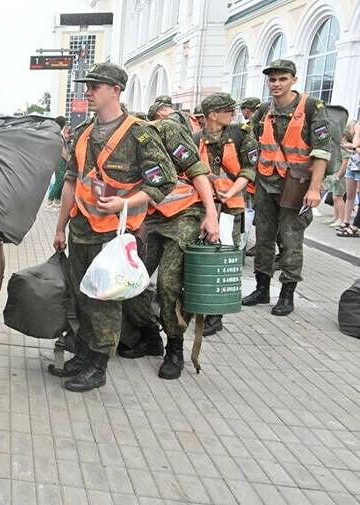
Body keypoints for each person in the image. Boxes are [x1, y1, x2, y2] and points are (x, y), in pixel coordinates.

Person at [51, 62, 176, 392]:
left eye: (95, 87)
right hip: (81, 229)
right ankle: (83, 355)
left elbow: (165, 181)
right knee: (81, 296)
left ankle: (99, 365)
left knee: (103, 301)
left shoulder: (139, 134)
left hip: (116, 235)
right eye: (88, 86)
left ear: (115, 91)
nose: (88, 92)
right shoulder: (83, 133)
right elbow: (70, 182)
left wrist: (125, 203)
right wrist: (60, 228)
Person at [117, 98, 219, 381]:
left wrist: (211, 216)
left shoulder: (164, 131)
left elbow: (197, 171)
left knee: (168, 284)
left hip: (184, 213)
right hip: (151, 218)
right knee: (129, 280)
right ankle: (150, 337)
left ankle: (175, 347)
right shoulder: (113, 143)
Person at [242, 59, 332, 316]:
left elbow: (322, 151)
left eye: (282, 79)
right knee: (264, 239)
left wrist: (314, 189)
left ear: (293, 79)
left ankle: (287, 294)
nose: (277, 84)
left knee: (291, 240)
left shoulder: (312, 107)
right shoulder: (263, 110)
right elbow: (251, 142)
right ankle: (261, 289)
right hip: (265, 182)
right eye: (272, 80)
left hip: (297, 185)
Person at [194, 92, 258, 336]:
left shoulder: (241, 134)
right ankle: (197, 304)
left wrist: (231, 192)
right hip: (200, 206)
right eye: (229, 110)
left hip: (230, 207)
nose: (233, 114)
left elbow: (249, 169)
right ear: (213, 115)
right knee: (201, 255)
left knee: (222, 258)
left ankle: (215, 315)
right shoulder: (195, 138)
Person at [45, 116, 70, 210]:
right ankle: (49, 202)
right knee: (59, 181)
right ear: (62, 125)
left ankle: (57, 202)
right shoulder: (58, 135)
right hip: (60, 160)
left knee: (61, 181)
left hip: (59, 159)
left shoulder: (56, 133)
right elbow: (62, 150)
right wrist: (69, 160)